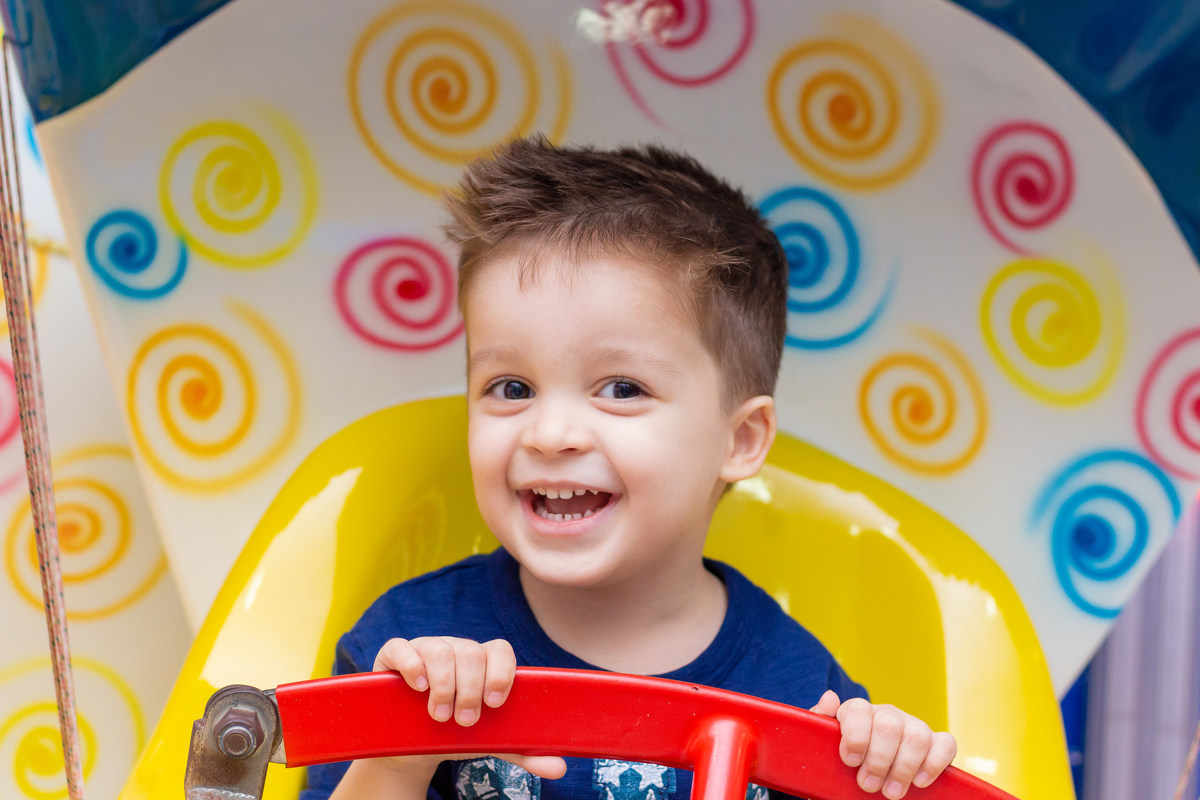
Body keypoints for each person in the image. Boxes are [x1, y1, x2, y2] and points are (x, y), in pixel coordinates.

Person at [302, 136, 957, 800]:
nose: (551, 433)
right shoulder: (409, 650)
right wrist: (397, 754)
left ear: (740, 440)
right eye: (511, 388)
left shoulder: (803, 690)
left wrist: (885, 773)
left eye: (621, 389)